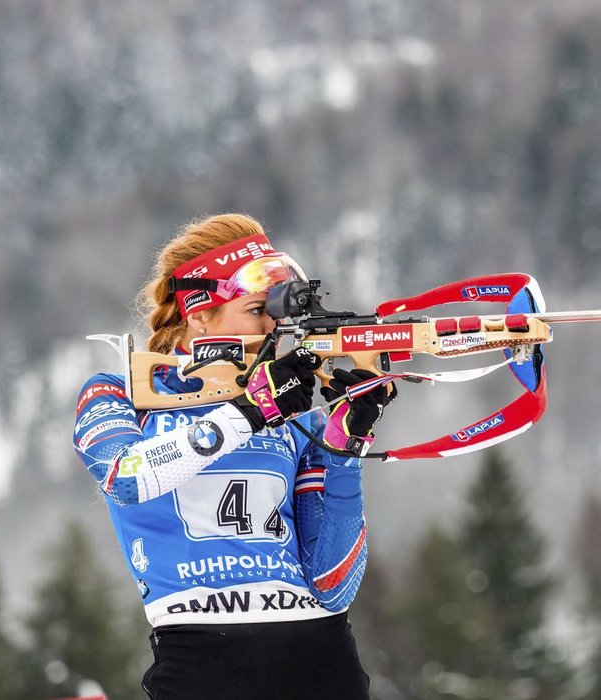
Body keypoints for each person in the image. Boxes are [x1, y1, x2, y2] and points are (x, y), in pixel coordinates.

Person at [72, 213, 393, 699]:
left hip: (322, 660)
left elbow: (334, 584)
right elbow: (125, 476)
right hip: (201, 663)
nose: (273, 325)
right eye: (257, 308)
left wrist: (343, 448)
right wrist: (248, 413)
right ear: (199, 312)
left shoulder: (292, 407)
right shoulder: (120, 394)